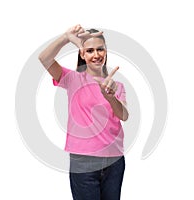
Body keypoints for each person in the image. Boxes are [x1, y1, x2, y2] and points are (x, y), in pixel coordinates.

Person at [38, 24, 129, 200]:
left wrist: (110, 96)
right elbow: (44, 58)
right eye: (90, 50)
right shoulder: (72, 79)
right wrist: (65, 37)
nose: (96, 55)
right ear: (82, 53)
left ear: (106, 51)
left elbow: (124, 115)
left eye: (100, 49)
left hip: (115, 161)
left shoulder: (116, 85)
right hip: (84, 162)